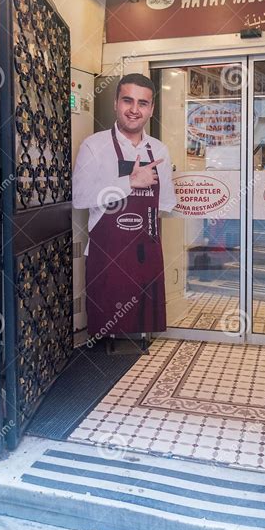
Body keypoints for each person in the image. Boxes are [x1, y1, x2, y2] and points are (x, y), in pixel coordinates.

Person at [72, 73, 177, 352]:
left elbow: (164, 203)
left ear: (151, 109)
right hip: (107, 248)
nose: (134, 109)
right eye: (127, 100)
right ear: (116, 103)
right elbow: (80, 197)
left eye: (143, 103)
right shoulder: (94, 146)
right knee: (109, 303)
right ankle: (107, 348)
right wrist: (129, 182)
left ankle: (139, 338)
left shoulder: (160, 150)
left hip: (145, 246)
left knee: (142, 308)